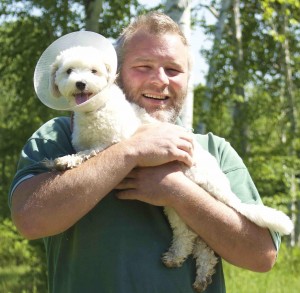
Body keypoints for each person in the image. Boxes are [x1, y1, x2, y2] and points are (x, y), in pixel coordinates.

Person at [9, 11, 280, 293]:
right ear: (115, 73)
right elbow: (29, 220)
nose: (159, 80)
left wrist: (176, 190)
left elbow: (261, 256)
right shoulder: (59, 136)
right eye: (143, 66)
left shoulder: (213, 150)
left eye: (173, 70)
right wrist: (130, 152)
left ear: (188, 79)